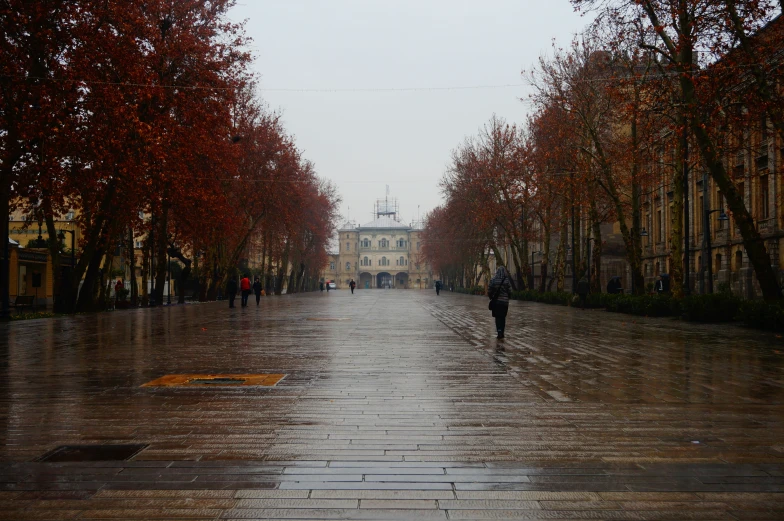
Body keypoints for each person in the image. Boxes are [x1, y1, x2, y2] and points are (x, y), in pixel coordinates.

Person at [488, 266, 512, 340]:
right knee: (503, 317)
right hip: (505, 302)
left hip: (496, 302)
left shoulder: (494, 280)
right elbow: (510, 291)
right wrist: (507, 297)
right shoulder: (507, 280)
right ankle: (502, 332)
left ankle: (499, 331)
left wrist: (491, 297)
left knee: (497, 317)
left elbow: (490, 290)